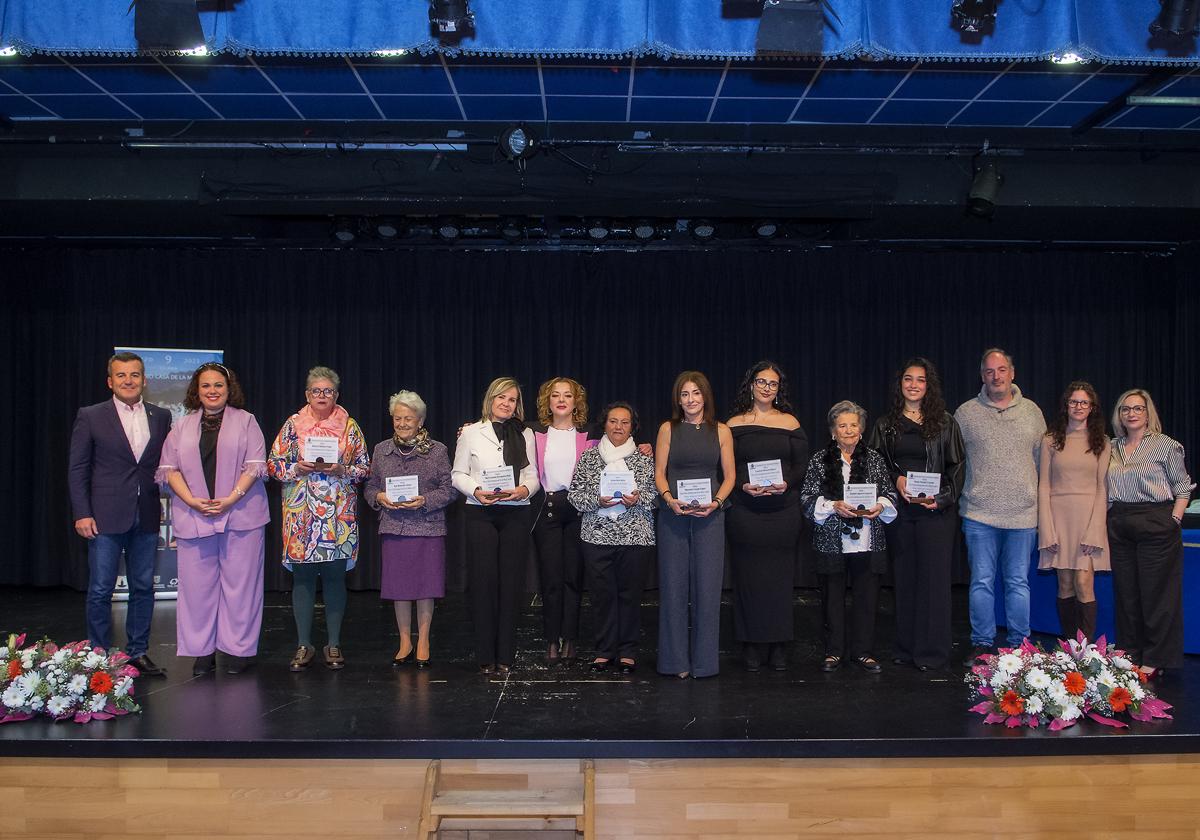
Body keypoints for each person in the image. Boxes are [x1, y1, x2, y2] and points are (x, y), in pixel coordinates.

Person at [157, 363, 270, 676]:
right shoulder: (181, 426)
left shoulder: (247, 421)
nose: (212, 391)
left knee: (241, 587)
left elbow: (255, 465)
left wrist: (231, 498)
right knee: (197, 589)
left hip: (241, 514)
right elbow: (168, 470)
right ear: (197, 390)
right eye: (206, 385)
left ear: (228, 388)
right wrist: (192, 501)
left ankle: (238, 651)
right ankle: (202, 652)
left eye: (218, 385)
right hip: (195, 515)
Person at [68, 351, 172, 676]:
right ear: (110, 381)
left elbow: (165, 466)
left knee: (143, 586)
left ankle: (138, 652)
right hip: (104, 516)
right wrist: (82, 512)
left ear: (144, 379)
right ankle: (98, 656)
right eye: (122, 376)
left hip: (147, 513)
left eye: (135, 375)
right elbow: (78, 469)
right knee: (101, 588)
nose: (129, 381)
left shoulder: (161, 416)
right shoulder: (91, 415)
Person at [267, 366, 370, 672]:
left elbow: (365, 467)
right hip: (302, 517)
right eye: (316, 391)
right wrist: (296, 468)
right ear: (307, 395)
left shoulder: (350, 426)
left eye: (328, 391)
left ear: (337, 395)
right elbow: (273, 464)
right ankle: (303, 644)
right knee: (303, 579)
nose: (322, 396)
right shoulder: (292, 424)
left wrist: (344, 471)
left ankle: (334, 643)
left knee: (336, 578)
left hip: (339, 517)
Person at [868, 358, 964, 672]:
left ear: (928, 386)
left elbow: (957, 467)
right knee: (905, 580)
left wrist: (943, 498)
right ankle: (905, 648)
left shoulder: (946, 422)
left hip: (936, 514)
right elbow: (874, 463)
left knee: (934, 582)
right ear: (900, 385)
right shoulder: (885, 424)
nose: (913, 385)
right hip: (901, 512)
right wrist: (896, 480)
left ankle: (932, 652)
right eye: (908, 379)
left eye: (920, 380)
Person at [955, 348, 1046, 665]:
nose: (996, 376)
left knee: (1018, 583)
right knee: (981, 581)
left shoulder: (1033, 413)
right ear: (982, 376)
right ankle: (982, 644)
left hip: (1022, 515)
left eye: (1002, 369)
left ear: (1012, 373)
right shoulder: (965, 413)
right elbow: (956, 462)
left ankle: (1021, 647)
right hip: (979, 513)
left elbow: (1042, 461)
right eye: (990, 371)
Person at [801, 400, 898, 673]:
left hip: (867, 537)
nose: (848, 430)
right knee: (832, 598)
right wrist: (833, 505)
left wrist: (880, 505)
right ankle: (833, 652)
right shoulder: (820, 460)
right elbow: (806, 498)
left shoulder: (875, 459)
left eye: (853, 425)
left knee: (867, 597)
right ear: (833, 431)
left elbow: (890, 493)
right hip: (832, 540)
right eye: (842, 425)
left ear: (861, 429)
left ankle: (863, 652)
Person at [452, 377, 540, 674]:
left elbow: (533, 477)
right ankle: (485, 656)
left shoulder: (525, 433)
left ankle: (505, 655)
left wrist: (523, 491)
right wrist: (476, 490)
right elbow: (458, 473)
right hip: (481, 513)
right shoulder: (470, 432)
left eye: (512, 399)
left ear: (518, 405)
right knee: (484, 583)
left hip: (515, 513)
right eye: (501, 397)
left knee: (511, 585)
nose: (506, 403)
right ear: (490, 400)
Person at [726, 361, 808, 672]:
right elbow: (725, 466)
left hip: (783, 513)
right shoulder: (733, 424)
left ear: (778, 389)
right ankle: (749, 645)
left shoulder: (790, 423)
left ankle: (778, 647)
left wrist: (787, 483)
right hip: (745, 512)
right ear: (751, 384)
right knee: (747, 579)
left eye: (773, 384)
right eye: (761, 381)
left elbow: (801, 466)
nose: (766, 388)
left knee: (780, 581)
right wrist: (742, 485)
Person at [364, 390, 457, 668]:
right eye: (397, 418)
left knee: (426, 587)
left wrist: (425, 500)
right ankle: (405, 640)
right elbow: (370, 486)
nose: (402, 423)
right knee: (399, 587)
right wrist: (378, 497)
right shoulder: (381, 450)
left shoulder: (438, 450)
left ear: (420, 421)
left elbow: (450, 489)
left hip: (428, 526)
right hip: (394, 526)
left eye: (408, 418)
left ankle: (424, 639)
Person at [1107, 388, 1193, 679]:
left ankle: (1156, 657)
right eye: (1125, 409)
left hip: (1156, 522)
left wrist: (1174, 520)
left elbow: (1183, 487)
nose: (1131, 413)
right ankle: (1130, 652)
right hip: (1119, 522)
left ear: (1148, 413)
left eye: (1137, 408)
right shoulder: (1110, 446)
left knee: (1157, 595)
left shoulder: (1166, 446)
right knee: (1127, 594)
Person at [654, 371, 735, 679]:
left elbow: (729, 476)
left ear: (705, 397)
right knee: (673, 588)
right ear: (679, 399)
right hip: (673, 515)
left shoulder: (722, 430)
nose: (690, 399)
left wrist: (716, 502)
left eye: (696, 393)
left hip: (710, 517)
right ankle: (675, 663)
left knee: (708, 589)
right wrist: (668, 498)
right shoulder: (668, 428)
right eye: (685, 394)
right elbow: (659, 471)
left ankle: (704, 664)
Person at [567, 402, 658, 675]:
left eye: (625, 422)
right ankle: (605, 651)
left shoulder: (644, 458)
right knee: (602, 596)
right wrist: (597, 501)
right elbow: (574, 496)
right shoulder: (589, 457)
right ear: (604, 424)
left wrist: (638, 499)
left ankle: (628, 651)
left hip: (635, 537)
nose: (618, 427)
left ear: (633, 427)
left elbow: (656, 495)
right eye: (613, 421)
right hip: (596, 537)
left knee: (629, 595)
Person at [1036, 381, 1110, 643]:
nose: (1078, 407)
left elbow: (1103, 489)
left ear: (1092, 408)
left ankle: (1085, 649)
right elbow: (1043, 485)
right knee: (1065, 584)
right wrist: (1047, 529)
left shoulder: (1103, 442)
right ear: (1066, 406)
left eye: (1084, 402)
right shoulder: (1050, 440)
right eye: (1073, 402)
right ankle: (1069, 647)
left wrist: (1095, 531)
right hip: (1058, 520)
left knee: (1084, 583)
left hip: (1088, 520)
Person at [530, 377, 593, 666]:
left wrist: (644, 447)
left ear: (576, 402)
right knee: (551, 579)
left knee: (573, 579)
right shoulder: (535, 435)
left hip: (579, 511)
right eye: (555, 395)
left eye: (568, 395)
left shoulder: (589, 436)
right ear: (548, 401)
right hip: (549, 510)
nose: (561, 400)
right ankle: (551, 640)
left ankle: (570, 639)